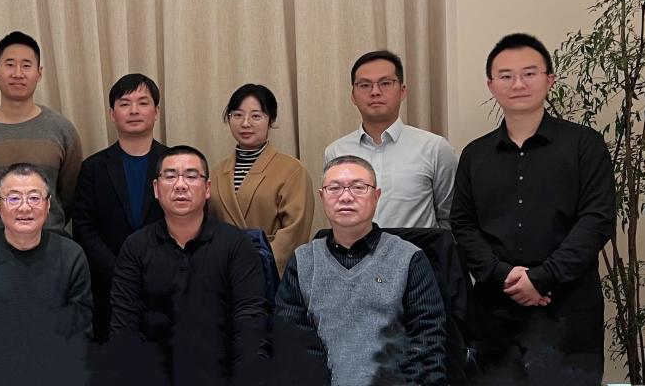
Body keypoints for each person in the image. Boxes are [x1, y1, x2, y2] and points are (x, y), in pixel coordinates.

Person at [451, 33, 614, 384]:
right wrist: (505, 275)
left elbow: (597, 220)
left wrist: (541, 278)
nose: (518, 84)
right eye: (506, 75)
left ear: (549, 79)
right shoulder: (475, 155)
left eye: (529, 73)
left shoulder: (584, 145)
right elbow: (462, 224)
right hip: (494, 312)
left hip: (568, 310)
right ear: (491, 85)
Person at [275, 155, 446, 386]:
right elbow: (293, 345)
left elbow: (427, 344)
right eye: (334, 188)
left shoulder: (409, 259)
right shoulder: (304, 261)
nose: (346, 197)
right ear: (322, 196)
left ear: (376, 196)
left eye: (358, 187)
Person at [109, 145, 269, 385]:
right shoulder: (135, 247)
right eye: (170, 176)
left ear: (207, 188)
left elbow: (251, 325)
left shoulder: (236, 245)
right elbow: (124, 327)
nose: (180, 185)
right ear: (156, 189)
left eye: (191, 176)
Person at [0, 164, 92, 384]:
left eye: (34, 198)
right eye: (13, 199)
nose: (24, 208)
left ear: (48, 204)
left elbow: (80, 335)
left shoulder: (71, 255)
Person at [0, 31, 83, 231]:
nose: (18, 73)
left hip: (49, 241)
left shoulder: (63, 131)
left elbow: (69, 197)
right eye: (10, 64)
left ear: (39, 73)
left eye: (26, 65)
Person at [71, 73, 168, 342]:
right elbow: (83, 226)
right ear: (112, 114)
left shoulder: (174, 164)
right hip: (108, 288)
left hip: (166, 284)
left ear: (157, 112)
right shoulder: (93, 167)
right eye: (125, 103)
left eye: (143, 103)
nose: (134, 110)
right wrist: (119, 271)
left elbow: (190, 219)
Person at [324, 50, 457, 229]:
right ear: (353, 96)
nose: (375, 92)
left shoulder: (435, 148)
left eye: (385, 83)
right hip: (354, 247)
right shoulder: (336, 152)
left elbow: (449, 217)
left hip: (418, 247)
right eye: (364, 85)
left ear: (402, 91)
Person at [209, 84, 313, 275]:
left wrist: (258, 265)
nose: (245, 123)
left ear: (270, 120)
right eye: (237, 115)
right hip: (222, 271)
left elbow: (295, 233)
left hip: (268, 271)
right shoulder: (215, 172)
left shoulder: (292, 170)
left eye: (256, 116)